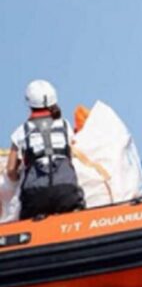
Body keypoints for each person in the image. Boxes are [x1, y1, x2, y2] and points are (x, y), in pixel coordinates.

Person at [5, 80, 85, 219]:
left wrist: (18, 177)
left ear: (29, 103)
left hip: (35, 196)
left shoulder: (20, 132)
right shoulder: (65, 126)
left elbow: (11, 170)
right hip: (66, 191)